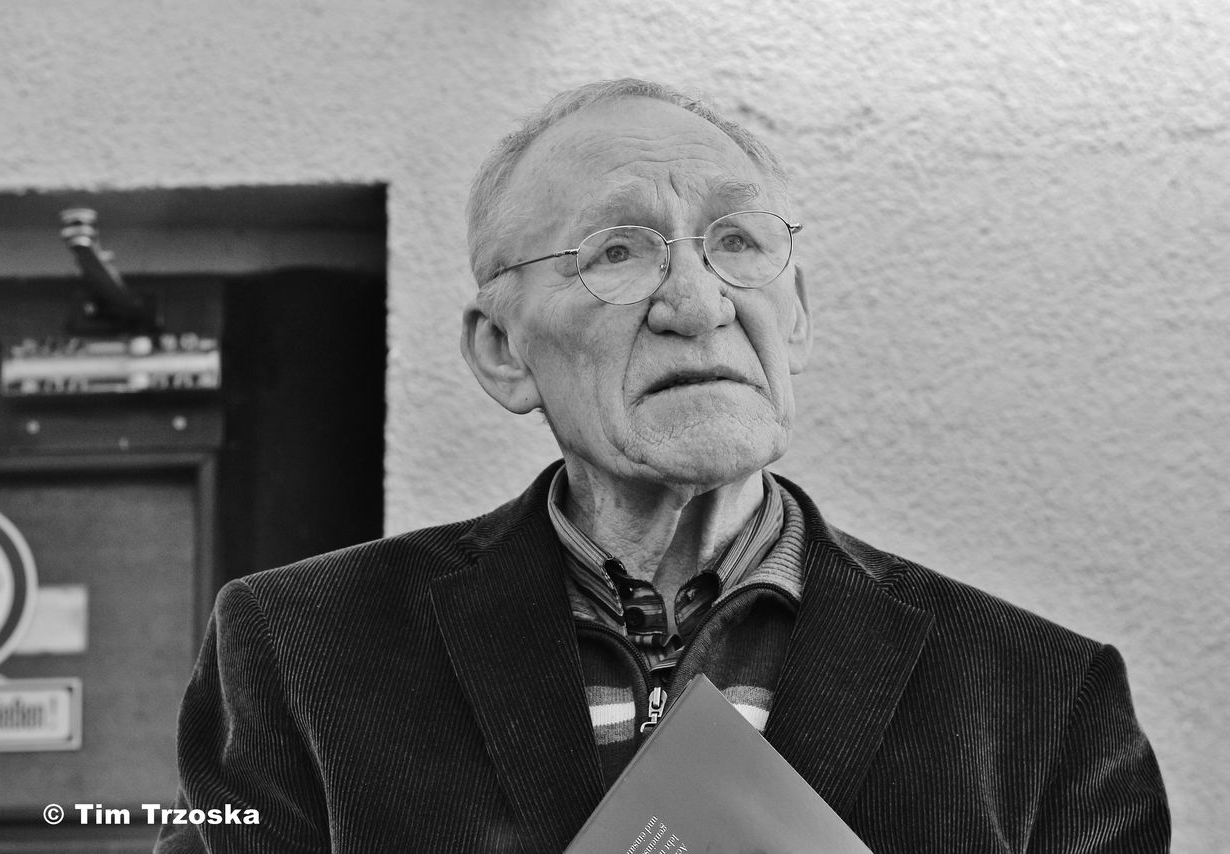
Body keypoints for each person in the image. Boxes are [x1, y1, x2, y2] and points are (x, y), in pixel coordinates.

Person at [156, 79, 1170, 853]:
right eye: (616, 251)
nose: (698, 300)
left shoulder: (1039, 693)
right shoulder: (301, 650)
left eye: (736, 241)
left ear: (799, 314)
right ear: (502, 351)